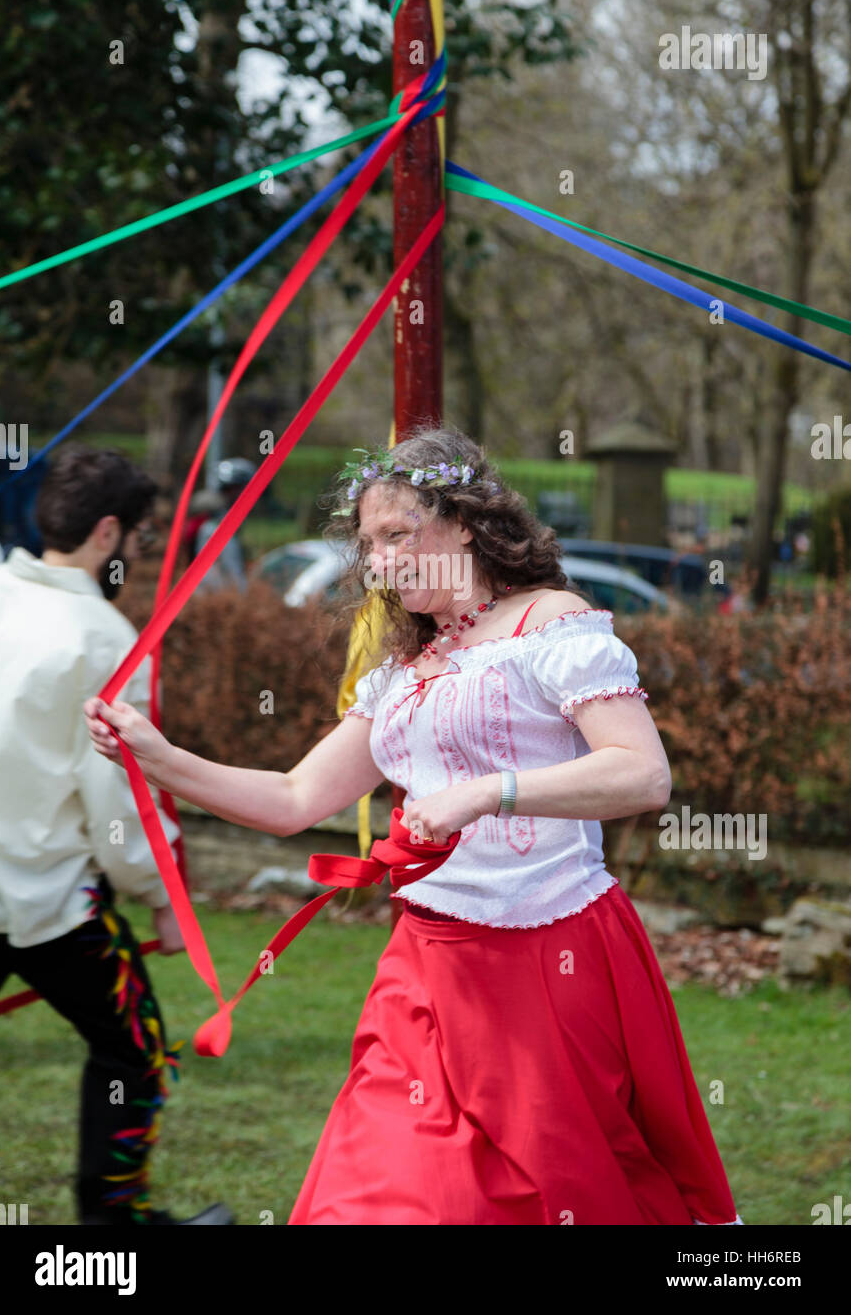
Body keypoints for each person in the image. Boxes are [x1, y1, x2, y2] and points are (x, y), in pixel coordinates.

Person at [84, 425, 744, 1226]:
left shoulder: (551, 623)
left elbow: (643, 774)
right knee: (377, 1189)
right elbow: (295, 799)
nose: (382, 559)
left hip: (552, 954)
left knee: (549, 1188)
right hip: (425, 969)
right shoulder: (400, 672)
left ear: (464, 521)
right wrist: (157, 757)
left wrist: (485, 793)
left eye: (399, 533)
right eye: (370, 543)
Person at [0, 447, 233, 1227]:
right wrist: (160, 896)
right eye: (143, 539)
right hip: (44, 899)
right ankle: (113, 1224)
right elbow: (114, 789)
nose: (145, 553)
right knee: (135, 1046)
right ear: (106, 533)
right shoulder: (102, 637)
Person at [193, 457, 255, 592]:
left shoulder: (220, 521)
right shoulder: (218, 528)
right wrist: (242, 595)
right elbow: (232, 569)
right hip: (213, 593)